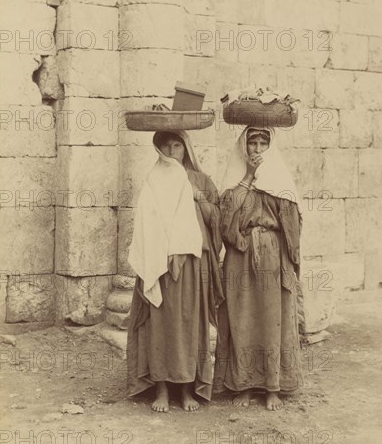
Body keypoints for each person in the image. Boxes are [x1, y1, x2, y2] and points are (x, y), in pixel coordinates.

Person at [126, 131, 223, 412]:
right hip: (158, 262)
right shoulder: (153, 180)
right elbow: (145, 222)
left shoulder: (201, 180)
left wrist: (199, 198)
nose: (172, 150)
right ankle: (161, 389)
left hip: (193, 262)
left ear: (186, 148)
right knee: (160, 323)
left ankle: (187, 389)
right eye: (166, 145)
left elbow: (217, 220)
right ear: (159, 149)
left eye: (177, 144)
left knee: (188, 323)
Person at [213, 126, 304, 410]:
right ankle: (243, 384)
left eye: (264, 142)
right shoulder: (234, 181)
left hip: (274, 258)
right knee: (242, 319)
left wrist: (290, 262)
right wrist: (250, 177)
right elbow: (224, 220)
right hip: (241, 256)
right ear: (244, 146)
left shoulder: (281, 180)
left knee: (272, 320)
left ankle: (272, 387)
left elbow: (292, 226)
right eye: (253, 142)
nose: (258, 148)